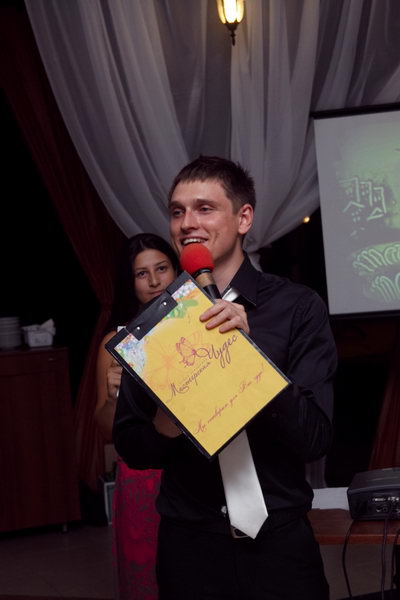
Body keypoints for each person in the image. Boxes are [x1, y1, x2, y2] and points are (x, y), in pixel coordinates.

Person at [113, 156, 337, 599]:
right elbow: (131, 445)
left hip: (280, 545)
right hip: (188, 547)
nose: (187, 223)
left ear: (243, 218)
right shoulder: (155, 323)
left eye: (205, 208)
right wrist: (166, 424)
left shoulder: (298, 307)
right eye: (177, 211)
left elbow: (315, 438)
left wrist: (249, 358)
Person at [95, 233, 179, 600]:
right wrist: (115, 395)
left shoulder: (201, 323)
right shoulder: (116, 342)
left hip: (193, 464)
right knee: (146, 571)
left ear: (177, 270)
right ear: (129, 282)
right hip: (142, 475)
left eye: (162, 268)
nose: (155, 281)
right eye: (142, 273)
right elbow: (105, 426)